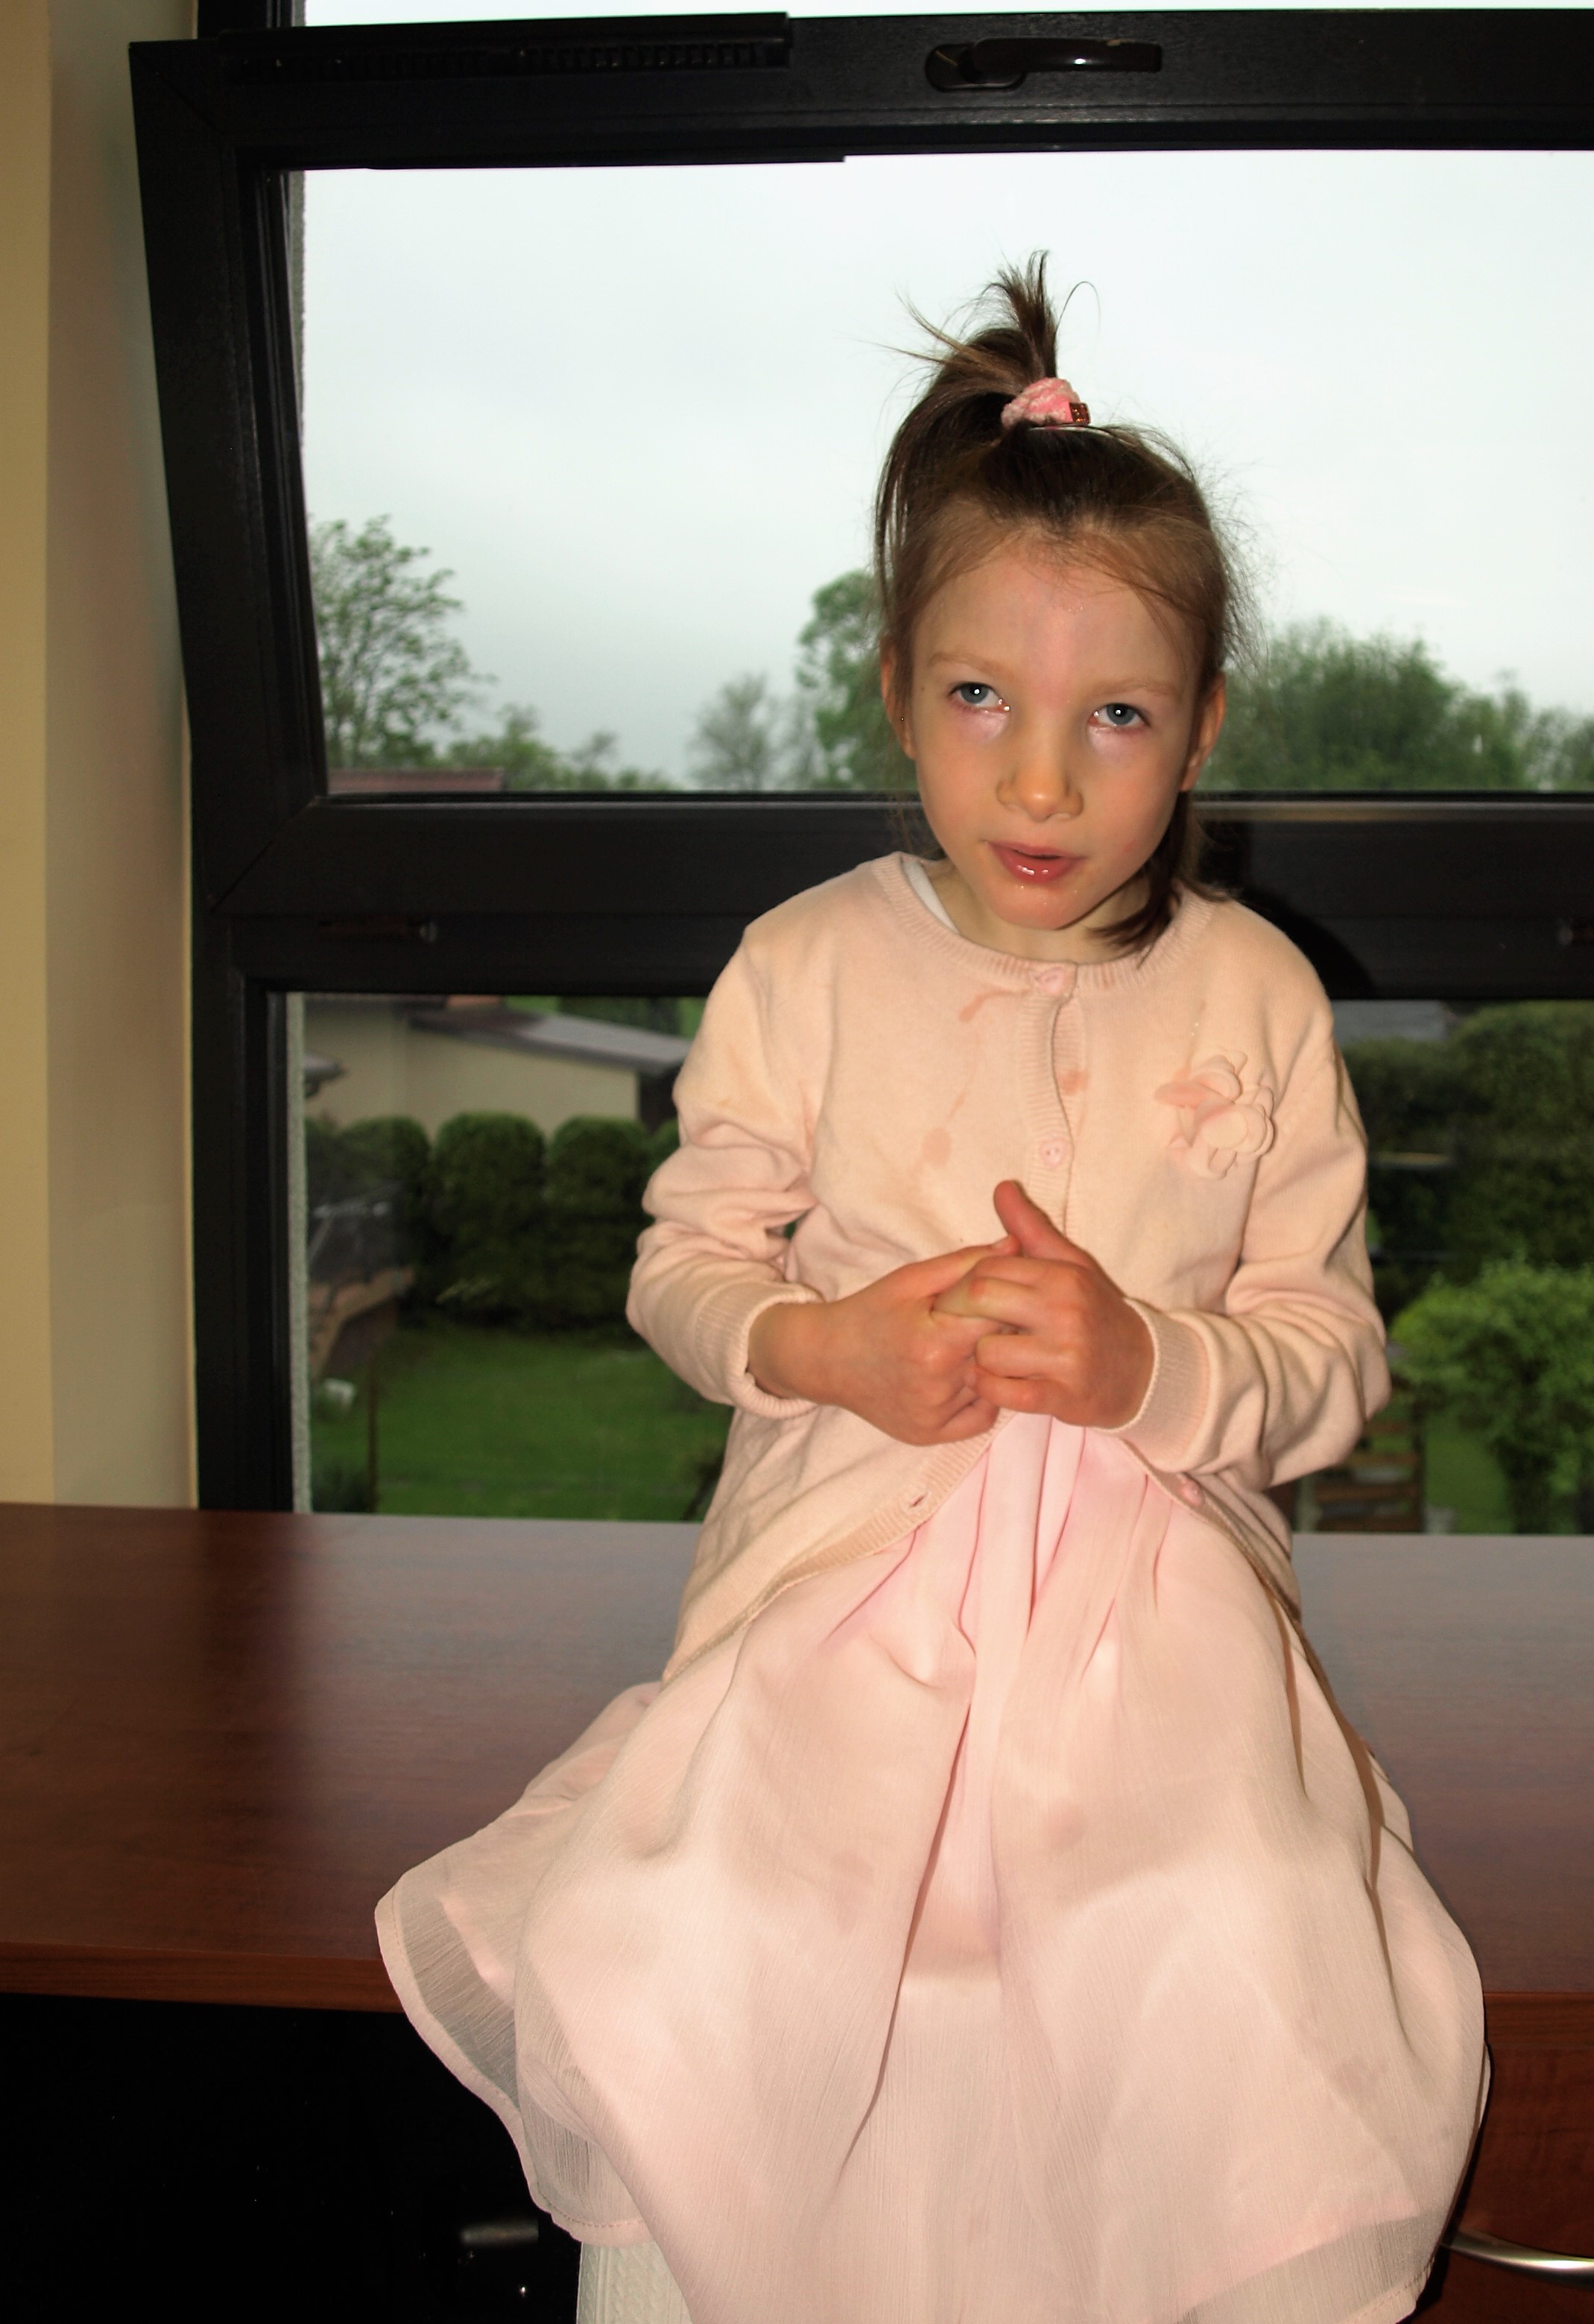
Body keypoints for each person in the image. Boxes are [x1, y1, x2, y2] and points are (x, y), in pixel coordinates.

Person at [377, 262, 1486, 2324]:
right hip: (835, 1613)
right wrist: (825, 1346)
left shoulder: (1255, 993)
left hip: (1157, 1645)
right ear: (896, 691)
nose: (1042, 784)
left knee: (1229, 1933)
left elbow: (1331, 1354)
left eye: (1116, 717)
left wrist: (1153, 1364)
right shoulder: (804, 966)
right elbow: (684, 1267)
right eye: (983, 700)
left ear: (1203, 728)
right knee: (724, 1940)